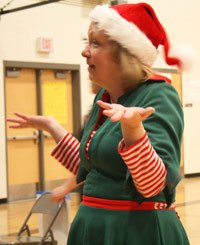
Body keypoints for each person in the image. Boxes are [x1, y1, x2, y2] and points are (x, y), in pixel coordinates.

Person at [7, 3, 190, 245]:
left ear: (124, 53)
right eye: (87, 42)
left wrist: (133, 130)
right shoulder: (104, 96)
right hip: (95, 229)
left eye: (95, 43)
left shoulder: (159, 95)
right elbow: (93, 165)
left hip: (135, 233)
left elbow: (152, 184)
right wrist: (53, 127)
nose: (85, 52)